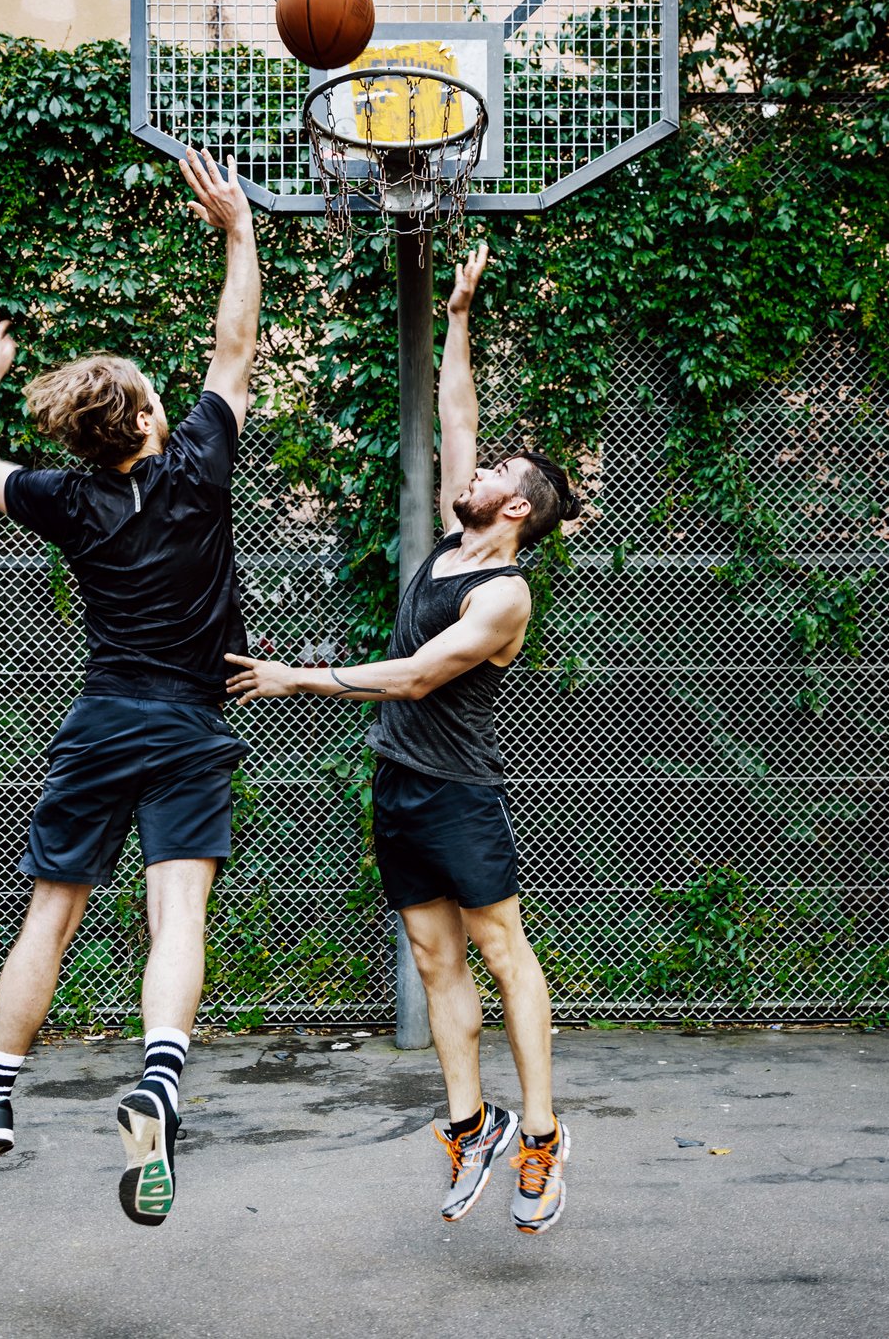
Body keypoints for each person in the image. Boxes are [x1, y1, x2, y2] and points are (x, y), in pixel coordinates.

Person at [223, 242, 582, 1234]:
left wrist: (297, 675)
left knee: (502, 952)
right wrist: (460, 315)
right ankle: (471, 1123)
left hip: (462, 792)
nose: (472, 468)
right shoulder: (451, 539)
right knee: (433, 961)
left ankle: (544, 1136)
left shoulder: (504, 594)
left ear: (516, 508)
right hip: (399, 783)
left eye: (496, 472)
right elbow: (458, 415)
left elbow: (422, 676)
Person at [0, 148, 259, 1228]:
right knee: (177, 909)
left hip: (100, 721)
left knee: (52, 912)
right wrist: (235, 226)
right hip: (187, 722)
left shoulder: (65, 501)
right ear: (149, 422)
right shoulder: (198, 470)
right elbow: (235, 346)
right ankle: (159, 1082)